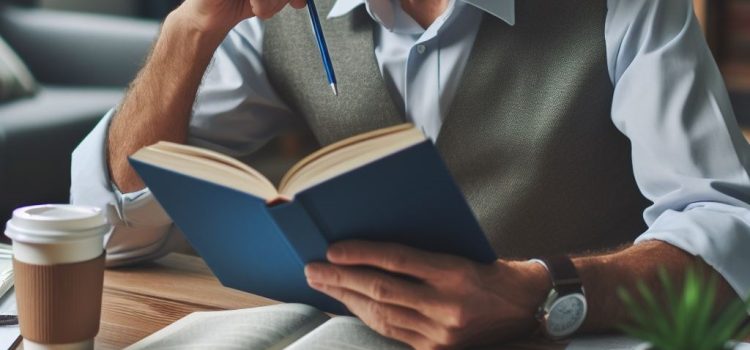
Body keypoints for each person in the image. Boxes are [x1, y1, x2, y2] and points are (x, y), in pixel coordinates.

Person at [71, 0, 750, 348]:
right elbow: (116, 228)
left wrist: (539, 294)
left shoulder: (626, 8)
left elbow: (730, 239)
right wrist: (189, 28)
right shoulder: (283, 19)